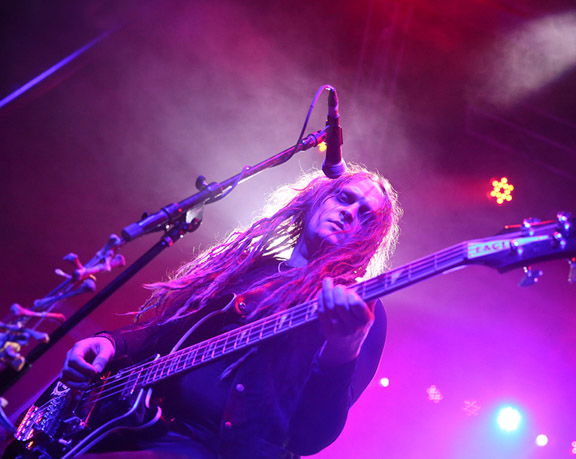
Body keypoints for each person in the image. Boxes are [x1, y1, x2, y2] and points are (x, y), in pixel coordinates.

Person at [60, 165, 401, 458]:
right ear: (316, 200)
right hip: (147, 426)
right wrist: (111, 344)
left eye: (365, 215)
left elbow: (312, 437)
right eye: (344, 198)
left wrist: (344, 349)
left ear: (367, 239)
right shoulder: (249, 269)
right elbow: (166, 331)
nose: (349, 213)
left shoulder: (359, 305)